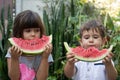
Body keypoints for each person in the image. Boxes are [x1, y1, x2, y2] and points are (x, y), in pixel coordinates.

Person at [5, 10, 53, 80]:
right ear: (19, 32)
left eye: (37, 30)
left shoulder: (46, 52)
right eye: (28, 31)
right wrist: (14, 58)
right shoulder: (12, 51)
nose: (33, 34)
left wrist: (45, 58)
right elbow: (14, 78)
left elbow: (41, 78)